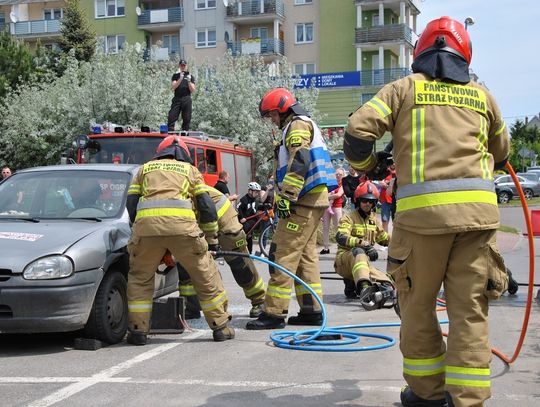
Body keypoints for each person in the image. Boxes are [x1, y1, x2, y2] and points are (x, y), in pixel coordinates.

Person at [344, 16, 510, 406]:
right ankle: (468, 399)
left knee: (418, 308)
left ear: (420, 53)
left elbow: (356, 133)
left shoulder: (402, 89)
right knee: (469, 310)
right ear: (464, 55)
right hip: (478, 222)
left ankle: (428, 394)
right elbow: (502, 153)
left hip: (422, 222)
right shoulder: (483, 96)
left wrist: (370, 167)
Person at [126, 135, 234, 345]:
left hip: (146, 231)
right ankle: (220, 327)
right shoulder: (190, 171)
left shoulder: (144, 169)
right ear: (183, 154)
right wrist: (210, 242)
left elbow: (131, 205)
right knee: (205, 276)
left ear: (160, 151)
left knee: (140, 279)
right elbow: (206, 207)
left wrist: (141, 232)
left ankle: (138, 331)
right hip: (184, 231)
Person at [247, 87, 337, 330]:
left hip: (302, 201)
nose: (273, 121)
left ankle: (274, 313)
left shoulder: (296, 126)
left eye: (273, 115)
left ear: (283, 110)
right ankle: (311, 310)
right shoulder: (303, 124)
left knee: (282, 253)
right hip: (312, 200)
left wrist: (287, 196)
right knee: (305, 257)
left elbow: (301, 160)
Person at [177, 184, 266, 319]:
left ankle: (260, 300)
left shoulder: (185, 187)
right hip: (201, 225)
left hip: (225, 223)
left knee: (240, 265)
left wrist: (212, 242)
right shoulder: (166, 193)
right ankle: (192, 306)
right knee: (187, 264)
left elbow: (208, 211)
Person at [334, 181, 394, 308]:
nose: (368, 204)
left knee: (388, 283)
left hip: (362, 266)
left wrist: (403, 243)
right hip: (344, 261)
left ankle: (380, 290)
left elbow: (384, 238)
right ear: (358, 201)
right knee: (359, 253)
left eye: (371, 201)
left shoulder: (374, 221)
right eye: (364, 200)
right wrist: (363, 244)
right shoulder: (349, 217)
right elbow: (341, 237)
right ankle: (364, 289)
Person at [320, 167, 345, 255]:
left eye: (340, 174)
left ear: (343, 176)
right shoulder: (330, 183)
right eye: (337, 174)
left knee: (338, 227)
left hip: (337, 207)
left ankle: (340, 246)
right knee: (325, 227)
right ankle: (326, 247)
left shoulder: (342, 184)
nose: (338, 176)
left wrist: (327, 197)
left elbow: (338, 195)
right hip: (327, 206)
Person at [167, 59, 196, 132]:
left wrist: (189, 81)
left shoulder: (190, 76)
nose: (183, 67)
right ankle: (170, 131)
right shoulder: (175, 75)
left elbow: (193, 90)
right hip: (177, 98)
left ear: (186, 66)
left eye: (184, 65)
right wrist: (180, 79)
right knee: (171, 116)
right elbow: (173, 87)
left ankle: (185, 132)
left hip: (186, 98)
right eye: (181, 65)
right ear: (179, 66)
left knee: (187, 117)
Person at [236, 182, 262, 254]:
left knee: (250, 236)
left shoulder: (254, 199)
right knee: (246, 236)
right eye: (256, 192)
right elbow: (238, 208)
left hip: (251, 220)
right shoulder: (244, 199)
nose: (257, 194)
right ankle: (242, 251)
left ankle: (250, 252)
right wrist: (241, 217)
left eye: (258, 192)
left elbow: (257, 207)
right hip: (245, 221)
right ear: (250, 191)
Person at [378, 162, 396, 232]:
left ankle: (394, 239)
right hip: (385, 200)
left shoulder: (398, 173)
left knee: (396, 222)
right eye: (392, 162)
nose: (394, 164)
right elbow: (381, 183)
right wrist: (390, 186)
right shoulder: (385, 173)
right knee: (385, 221)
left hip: (395, 201)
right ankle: (386, 239)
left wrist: (387, 185)